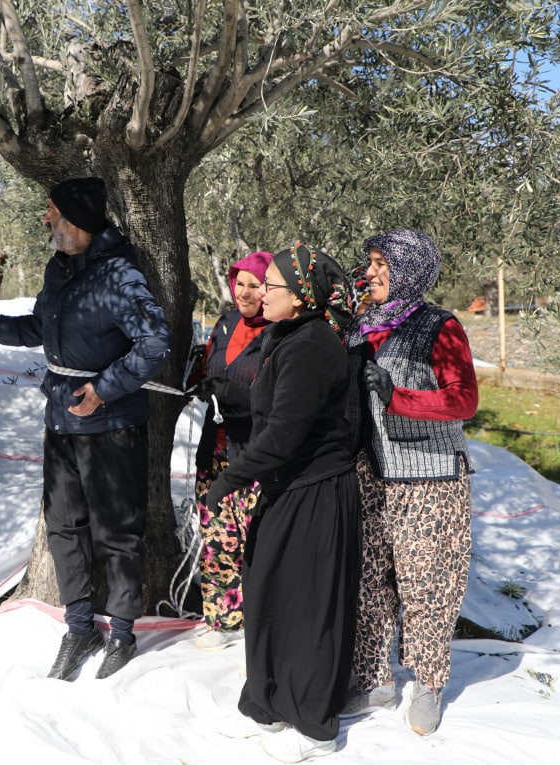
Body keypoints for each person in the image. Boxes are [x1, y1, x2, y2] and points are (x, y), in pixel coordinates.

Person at [0, 176, 171, 680]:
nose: (45, 219)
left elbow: (155, 345)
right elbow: (35, 328)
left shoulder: (119, 277)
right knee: (64, 526)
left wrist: (104, 389)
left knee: (117, 531)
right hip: (61, 418)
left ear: (78, 223)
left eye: (53, 212)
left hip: (109, 422)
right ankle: (80, 625)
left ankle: (124, 634)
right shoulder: (59, 269)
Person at [208, 243, 362, 762]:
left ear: (299, 297)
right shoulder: (288, 334)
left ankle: (315, 724)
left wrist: (228, 481)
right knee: (269, 590)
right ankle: (267, 707)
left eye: (270, 284)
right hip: (287, 486)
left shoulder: (313, 345)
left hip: (315, 492)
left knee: (308, 607)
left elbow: (284, 434)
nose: (260, 291)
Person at [340, 228, 478, 737]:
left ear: (409, 268)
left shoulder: (439, 326)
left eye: (381, 262)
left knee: (427, 581)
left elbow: (464, 399)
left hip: (429, 478)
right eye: (369, 261)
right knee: (372, 581)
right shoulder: (359, 326)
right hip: (371, 475)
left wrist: (401, 397)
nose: (370, 271)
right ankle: (375, 678)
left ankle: (428, 683)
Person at [189, 250, 273, 651]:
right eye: (239, 283)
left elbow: (274, 396)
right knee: (217, 536)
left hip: (255, 453)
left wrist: (232, 392)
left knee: (256, 538)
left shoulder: (277, 332)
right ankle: (224, 621)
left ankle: (264, 622)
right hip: (216, 451)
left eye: (254, 285)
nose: (244, 292)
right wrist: (198, 376)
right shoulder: (225, 323)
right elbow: (209, 370)